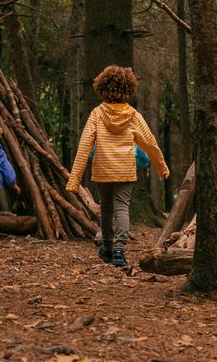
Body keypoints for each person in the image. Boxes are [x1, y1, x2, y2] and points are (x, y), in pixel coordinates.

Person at [66, 65, 169, 267]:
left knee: (105, 208)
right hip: (125, 169)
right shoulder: (133, 115)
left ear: (102, 88)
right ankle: (119, 252)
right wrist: (161, 167)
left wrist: (74, 179)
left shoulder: (97, 114)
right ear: (128, 89)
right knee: (122, 208)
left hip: (102, 169)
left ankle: (107, 247)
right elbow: (150, 143)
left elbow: (85, 145)